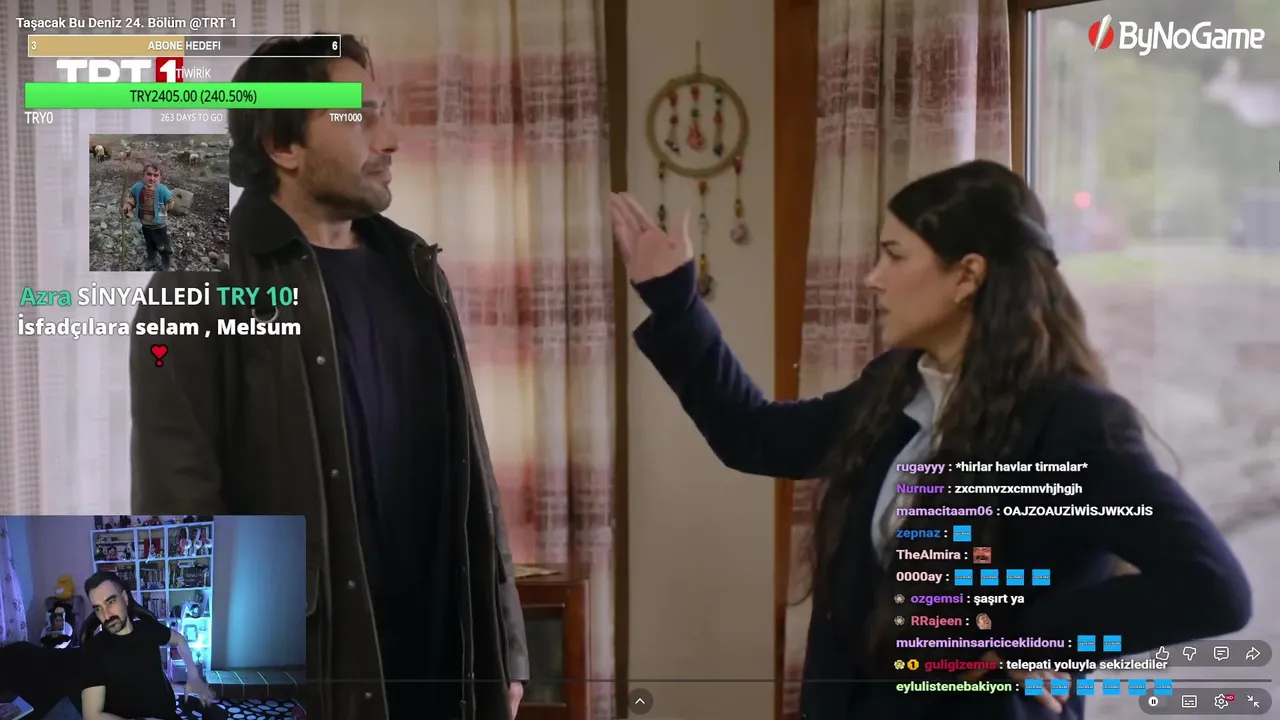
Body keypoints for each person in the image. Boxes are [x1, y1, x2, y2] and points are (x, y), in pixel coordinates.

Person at [609, 161, 1252, 719]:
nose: (873, 278)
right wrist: (674, 304)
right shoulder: (895, 389)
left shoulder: (1073, 422)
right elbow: (755, 437)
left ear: (966, 275)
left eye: (895, 255)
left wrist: (1033, 642)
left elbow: (1210, 587)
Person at [128, 34, 528, 720]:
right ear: (283, 144)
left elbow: (475, 476)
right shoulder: (195, 287)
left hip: (445, 665)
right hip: (313, 678)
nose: (391, 138)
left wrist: (505, 648)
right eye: (361, 116)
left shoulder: (416, 272)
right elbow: (178, 500)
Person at [79, 572, 214, 720]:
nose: (106, 615)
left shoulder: (147, 628)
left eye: (110, 602)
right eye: (98, 608)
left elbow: (180, 640)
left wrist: (193, 675)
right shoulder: (95, 649)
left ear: (125, 598)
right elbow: (92, 715)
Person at [121, 163, 175, 271]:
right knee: (149, 244)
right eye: (149, 174)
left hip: (159, 226)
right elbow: (132, 199)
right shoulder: (138, 188)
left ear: (160, 177)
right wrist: (127, 207)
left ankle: (166, 262)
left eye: (156, 175)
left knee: (162, 245)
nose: (152, 178)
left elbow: (170, 203)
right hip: (145, 225)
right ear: (143, 175)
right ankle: (152, 259)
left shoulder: (162, 190)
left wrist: (163, 212)